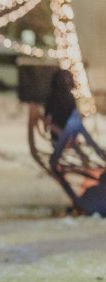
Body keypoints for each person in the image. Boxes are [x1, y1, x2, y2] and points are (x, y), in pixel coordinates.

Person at [45, 69, 106, 205]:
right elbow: (50, 121)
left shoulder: (63, 97)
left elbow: (53, 118)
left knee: (85, 154)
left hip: (66, 136)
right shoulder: (60, 98)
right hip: (62, 137)